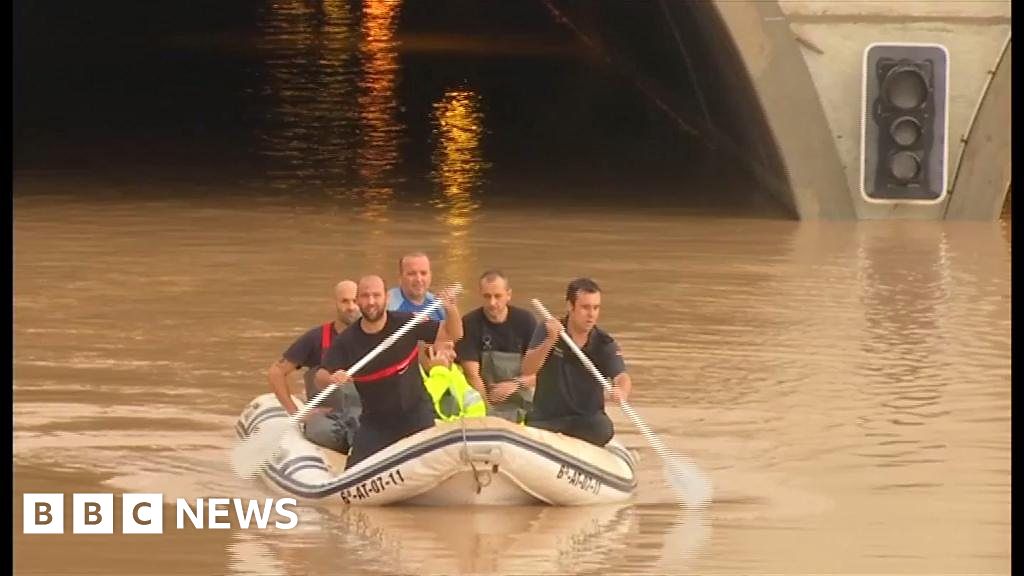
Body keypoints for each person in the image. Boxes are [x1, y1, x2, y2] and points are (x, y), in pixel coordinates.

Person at [316, 275, 463, 469]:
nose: (371, 302)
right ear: (358, 300)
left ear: (386, 297)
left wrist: (450, 309)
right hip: (376, 422)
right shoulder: (347, 341)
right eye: (365, 296)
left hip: (416, 414)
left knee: (435, 466)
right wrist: (333, 379)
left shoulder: (407, 323)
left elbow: (454, 334)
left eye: (376, 295)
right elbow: (320, 377)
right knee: (354, 472)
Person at [520, 278, 632, 447]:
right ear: (570, 306)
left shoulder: (604, 343)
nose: (591, 314)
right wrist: (550, 340)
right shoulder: (548, 329)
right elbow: (528, 370)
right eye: (585, 307)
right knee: (534, 428)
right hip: (548, 417)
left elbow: (622, 376)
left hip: (585, 421)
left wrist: (621, 391)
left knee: (603, 428)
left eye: (596, 308)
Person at [268, 280, 362, 453]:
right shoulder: (316, 338)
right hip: (326, 419)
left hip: (361, 416)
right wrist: (295, 413)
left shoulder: (373, 338)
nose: (351, 307)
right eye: (345, 301)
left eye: (355, 301)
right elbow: (276, 372)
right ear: (334, 303)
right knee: (322, 431)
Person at [456, 270, 538, 423]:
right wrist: (488, 412)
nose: (492, 303)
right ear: (480, 295)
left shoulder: (526, 321)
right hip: (485, 398)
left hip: (521, 394)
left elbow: (541, 373)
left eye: (498, 296)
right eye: (487, 296)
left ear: (509, 295)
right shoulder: (469, 323)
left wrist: (514, 384)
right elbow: (472, 374)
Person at [421, 340, 487, 422]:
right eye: (448, 348)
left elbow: (477, 407)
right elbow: (422, 408)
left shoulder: (453, 370)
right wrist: (439, 372)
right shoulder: (409, 376)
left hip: (464, 431)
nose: (454, 355)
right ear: (429, 350)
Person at [387, 252, 445, 321]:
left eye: (423, 273)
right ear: (400, 278)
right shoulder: (388, 304)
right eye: (412, 274)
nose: (418, 279)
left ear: (430, 276)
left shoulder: (438, 304)